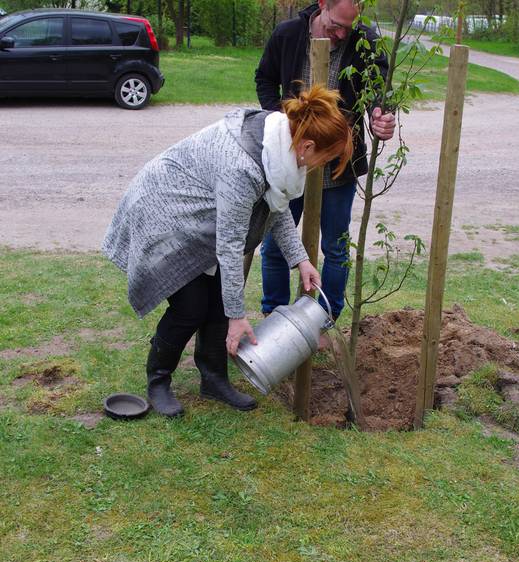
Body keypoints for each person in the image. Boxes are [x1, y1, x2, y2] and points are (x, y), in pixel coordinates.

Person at [102, 86, 353, 418]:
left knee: (219, 302)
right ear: (307, 146)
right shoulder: (244, 166)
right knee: (190, 307)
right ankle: (158, 380)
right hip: (166, 214)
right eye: (328, 158)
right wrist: (238, 317)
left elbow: (275, 209)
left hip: (204, 219)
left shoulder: (279, 148)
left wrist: (301, 259)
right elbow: (231, 245)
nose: (326, 165)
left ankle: (213, 378)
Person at [255, 0, 396, 321]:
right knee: (275, 245)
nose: (342, 34)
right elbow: (264, 78)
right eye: (336, 25)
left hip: (338, 165)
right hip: (289, 160)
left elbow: (379, 94)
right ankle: (274, 318)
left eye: (349, 27)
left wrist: (381, 116)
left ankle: (323, 321)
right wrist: (280, 121)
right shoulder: (288, 34)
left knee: (335, 247)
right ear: (322, 4)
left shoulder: (367, 43)